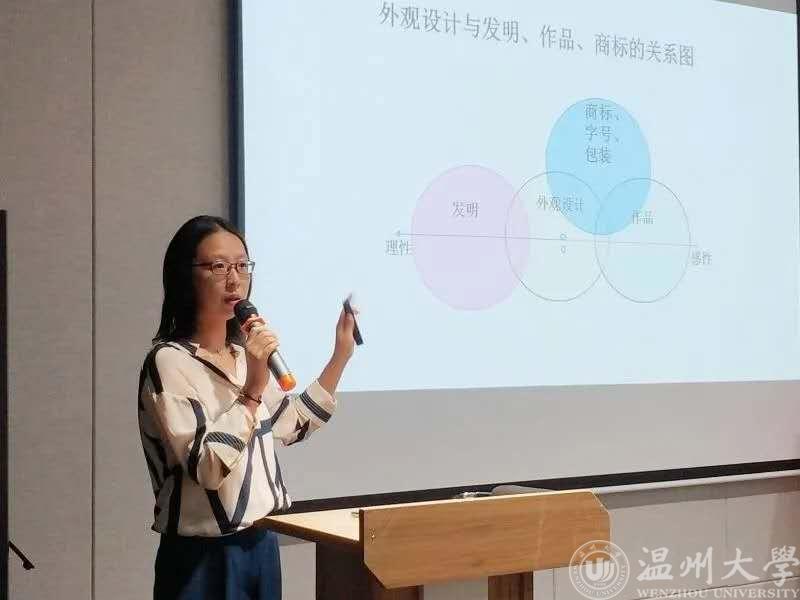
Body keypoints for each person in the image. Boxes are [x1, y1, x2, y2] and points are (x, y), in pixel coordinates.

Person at [137, 215, 356, 599]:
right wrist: (253, 389)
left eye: (242, 265)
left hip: (261, 542)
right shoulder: (169, 362)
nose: (234, 279)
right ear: (186, 276)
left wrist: (340, 356)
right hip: (201, 555)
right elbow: (207, 467)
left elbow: (291, 425)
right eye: (219, 267)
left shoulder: (243, 356)